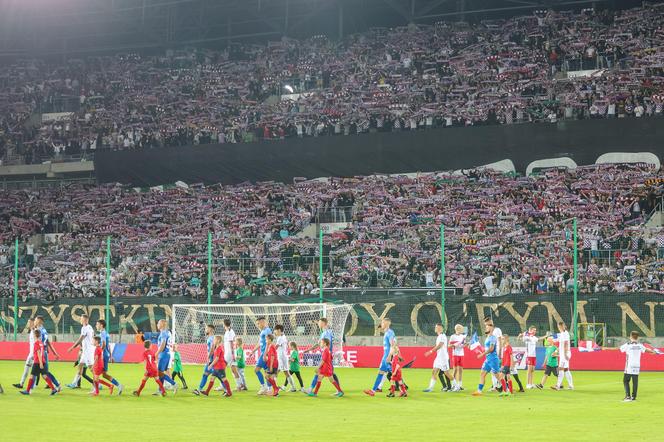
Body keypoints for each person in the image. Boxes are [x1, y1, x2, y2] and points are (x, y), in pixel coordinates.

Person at [302, 318, 342, 394]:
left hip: (326, 357)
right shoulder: (325, 332)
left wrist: (326, 353)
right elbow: (319, 344)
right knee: (330, 374)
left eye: (319, 322)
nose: (318, 324)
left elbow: (326, 344)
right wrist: (309, 349)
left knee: (324, 374)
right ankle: (338, 390)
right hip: (326, 356)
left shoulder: (326, 333)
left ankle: (311, 390)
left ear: (323, 323)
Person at [620, 331, 658, 402]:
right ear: (637, 337)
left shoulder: (628, 344)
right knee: (635, 382)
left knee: (625, 380)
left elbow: (620, 349)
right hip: (637, 366)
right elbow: (646, 350)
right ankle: (634, 397)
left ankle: (628, 396)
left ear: (630, 336)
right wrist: (654, 352)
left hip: (629, 365)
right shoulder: (640, 345)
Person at [19, 329, 58, 396]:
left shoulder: (36, 343)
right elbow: (41, 353)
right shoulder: (41, 343)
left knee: (32, 376)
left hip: (37, 362)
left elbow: (38, 353)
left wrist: (39, 362)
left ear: (34, 335)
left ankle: (27, 391)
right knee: (44, 376)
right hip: (42, 361)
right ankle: (53, 389)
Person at [364, 318, 396, 396]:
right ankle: (374, 390)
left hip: (387, 356)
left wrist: (389, 356)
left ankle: (374, 390)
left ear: (387, 323)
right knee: (389, 373)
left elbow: (393, 345)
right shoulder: (387, 333)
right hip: (386, 356)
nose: (381, 324)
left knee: (392, 373)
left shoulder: (389, 333)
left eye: (382, 322)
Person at [472, 320, 503, 396]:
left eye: (487, 327)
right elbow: (486, 348)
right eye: (485, 327)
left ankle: (506, 390)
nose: (485, 328)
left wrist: (482, 354)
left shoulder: (492, 337)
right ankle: (479, 391)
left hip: (493, 359)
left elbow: (492, 349)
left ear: (491, 328)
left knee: (497, 375)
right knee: (482, 374)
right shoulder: (488, 337)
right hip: (488, 359)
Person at [66, 314, 95, 389]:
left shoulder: (84, 328)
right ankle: (74, 383)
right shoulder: (90, 327)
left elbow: (80, 339)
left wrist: (72, 347)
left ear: (85, 320)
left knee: (91, 368)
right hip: (86, 351)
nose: (80, 320)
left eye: (81, 319)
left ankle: (98, 384)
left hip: (88, 351)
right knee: (80, 366)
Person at [423, 322, 455, 392]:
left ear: (440, 328)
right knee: (434, 371)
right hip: (438, 358)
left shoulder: (443, 336)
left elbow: (440, 345)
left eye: (436, 327)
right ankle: (430, 388)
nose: (435, 328)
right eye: (435, 327)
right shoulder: (439, 336)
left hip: (443, 358)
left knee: (447, 373)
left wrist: (430, 352)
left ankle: (455, 386)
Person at [33, 316, 62, 392]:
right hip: (44, 352)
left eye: (35, 320)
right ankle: (30, 388)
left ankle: (57, 385)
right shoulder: (44, 330)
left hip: (41, 353)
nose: (34, 321)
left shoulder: (39, 331)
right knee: (40, 372)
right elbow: (48, 342)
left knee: (43, 372)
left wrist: (38, 355)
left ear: (39, 321)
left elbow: (40, 344)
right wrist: (55, 353)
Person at [96, 319, 124, 395]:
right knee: (103, 374)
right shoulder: (106, 333)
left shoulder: (102, 333)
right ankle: (118, 385)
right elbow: (108, 345)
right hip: (106, 354)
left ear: (101, 325)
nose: (96, 326)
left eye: (97, 324)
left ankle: (97, 388)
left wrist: (99, 353)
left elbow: (104, 344)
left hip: (103, 356)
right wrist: (111, 356)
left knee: (96, 373)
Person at [249, 316, 272, 395]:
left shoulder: (267, 330)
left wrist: (265, 354)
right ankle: (269, 389)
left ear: (263, 322)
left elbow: (269, 343)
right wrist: (253, 351)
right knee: (266, 372)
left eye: (258, 323)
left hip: (265, 354)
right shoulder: (262, 331)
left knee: (256, 370)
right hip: (264, 354)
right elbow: (260, 343)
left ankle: (264, 387)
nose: (258, 325)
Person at [155, 319, 178, 394]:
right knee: (161, 373)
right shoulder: (168, 332)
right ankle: (160, 390)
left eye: (158, 323)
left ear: (162, 324)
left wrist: (157, 353)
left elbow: (163, 344)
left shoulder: (163, 333)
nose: (157, 324)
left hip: (163, 354)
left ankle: (173, 383)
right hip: (167, 354)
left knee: (159, 373)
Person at [13, 318, 36, 390]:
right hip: (32, 354)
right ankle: (22, 383)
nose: (28, 324)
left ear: (33, 322)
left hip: (33, 354)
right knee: (32, 369)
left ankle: (24, 384)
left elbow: (37, 343)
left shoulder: (35, 331)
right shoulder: (32, 331)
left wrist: (33, 354)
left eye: (29, 322)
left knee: (37, 370)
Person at [193, 324, 215, 395]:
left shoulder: (211, 338)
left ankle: (227, 390)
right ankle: (199, 390)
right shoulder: (211, 338)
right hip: (212, 361)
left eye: (206, 328)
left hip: (212, 361)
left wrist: (209, 358)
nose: (205, 330)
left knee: (220, 376)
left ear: (210, 330)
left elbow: (212, 348)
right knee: (205, 375)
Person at [552, 321, 573, 391]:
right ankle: (571, 386)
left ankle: (557, 386)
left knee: (560, 368)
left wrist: (564, 354)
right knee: (566, 369)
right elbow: (560, 344)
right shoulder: (562, 334)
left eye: (561, 326)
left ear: (562, 326)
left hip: (565, 354)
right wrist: (556, 351)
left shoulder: (565, 334)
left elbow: (566, 344)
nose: (560, 327)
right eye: (559, 326)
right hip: (564, 354)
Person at [274, 325, 295, 391]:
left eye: (275, 330)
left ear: (279, 330)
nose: (275, 332)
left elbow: (276, 347)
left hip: (280, 357)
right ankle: (293, 387)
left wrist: (269, 353)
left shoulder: (280, 338)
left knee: (276, 372)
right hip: (284, 356)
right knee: (286, 372)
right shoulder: (283, 336)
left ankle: (273, 388)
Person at [484, 316, 502, 391]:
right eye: (486, 324)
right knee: (493, 371)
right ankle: (495, 386)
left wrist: (499, 353)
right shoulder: (488, 331)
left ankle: (502, 385)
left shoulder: (497, 330)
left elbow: (500, 341)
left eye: (488, 324)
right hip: (490, 354)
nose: (487, 326)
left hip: (495, 353)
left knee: (497, 371)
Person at [223, 319, 241, 391]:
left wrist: (233, 354)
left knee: (221, 369)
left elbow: (231, 343)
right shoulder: (231, 331)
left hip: (229, 353)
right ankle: (239, 386)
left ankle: (223, 385)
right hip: (232, 353)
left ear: (224, 324)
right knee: (234, 370)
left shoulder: (229, 332)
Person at [449, 324, 466, 391]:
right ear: (457, 329)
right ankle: (453, 385)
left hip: (461, 354)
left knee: (461, 370)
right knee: (455, 369)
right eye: (461, 329)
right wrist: (454, 345)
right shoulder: (452, 336)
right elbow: (449, 345)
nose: (462, 330)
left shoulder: (463, 336)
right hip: (455, 354)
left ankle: (460, 385)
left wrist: (465, 345)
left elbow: (463, 345)